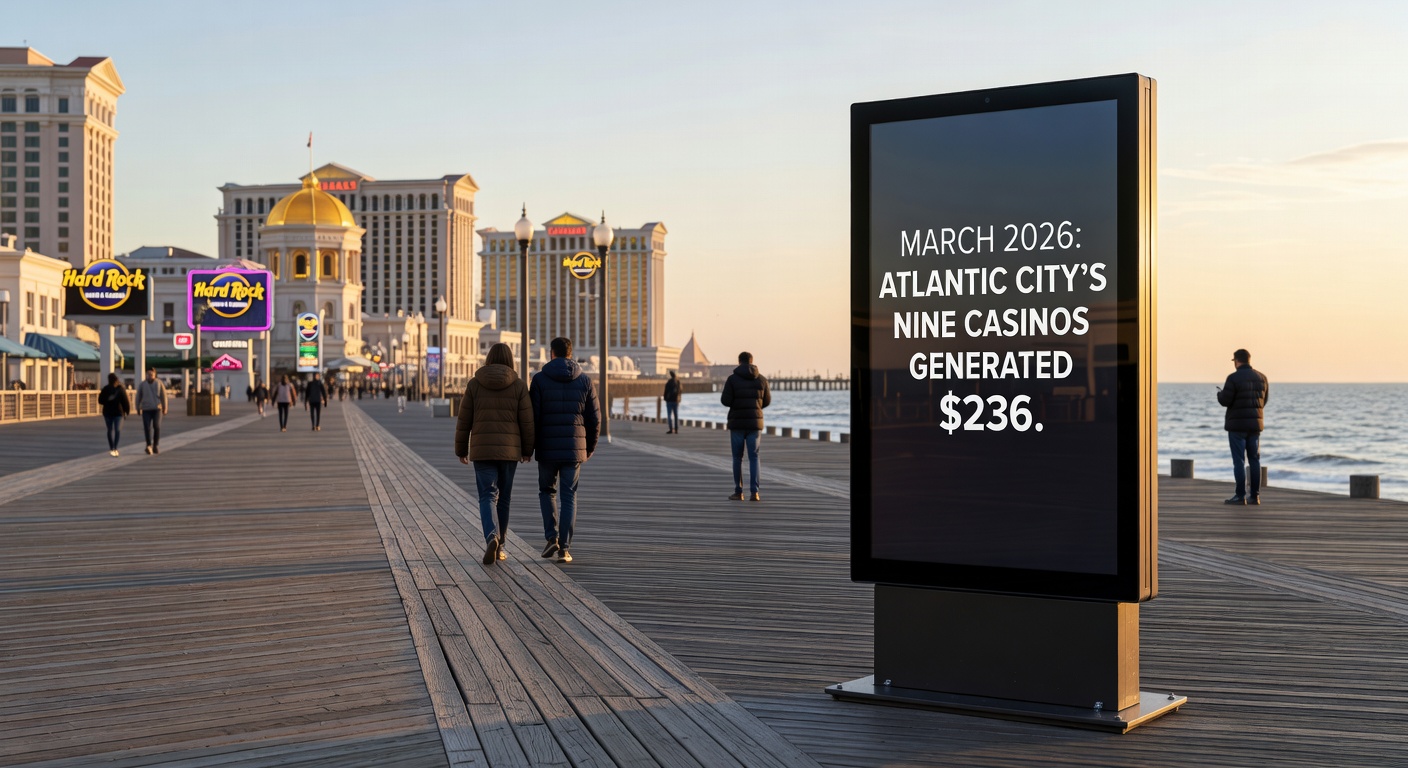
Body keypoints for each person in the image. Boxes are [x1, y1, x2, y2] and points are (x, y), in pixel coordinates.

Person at [455, 342, 534, 565]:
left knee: (487, 495)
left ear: (488, 358)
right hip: (510, 451)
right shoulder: (518, 386)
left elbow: (464, 420)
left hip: (482, 449)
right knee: (505, 498)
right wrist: (528, 450)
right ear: (510, 359)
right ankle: (501, 546)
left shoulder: (474, 384)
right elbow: (527, 422)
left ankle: (492, 536)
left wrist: (461, 449)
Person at [531, 337, 600, 564]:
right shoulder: (585, 381)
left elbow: (533, 417)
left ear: (552, 353)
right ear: (571, 354)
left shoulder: (539, 380)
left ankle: (552, 537)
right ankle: (565, 548)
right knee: (569, 495)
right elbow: (594, 419)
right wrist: (588, 447)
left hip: (547, 448)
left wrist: (530, 447)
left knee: (547, 491)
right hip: (573, 449)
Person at [1217, 348, 1270, 505]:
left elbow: (1225, 400)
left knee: (1239, 461)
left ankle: (1240, 496)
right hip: (1255, 426)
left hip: (1237, 427)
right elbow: (1263, 401)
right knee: (1254, 460)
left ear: (1236, 361)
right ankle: (1255, 496)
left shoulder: (1233, 378)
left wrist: (1220, 395)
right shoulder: (1262, 378)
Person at [721, 351, 771, 501]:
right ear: (751, 361)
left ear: (739, 362)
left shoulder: (732, 379)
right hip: (755, 424)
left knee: (737, 457)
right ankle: (755, 492)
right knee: (754, 456)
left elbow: (725, 401)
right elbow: (767, 401)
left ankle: (738, 491)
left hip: (737, 422)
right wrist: (756, 407)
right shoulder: (762, 380)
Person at [134, 368, 168, 455]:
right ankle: (148, 445)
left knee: (156, 426)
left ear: (154, 375)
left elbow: (163, 396)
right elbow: (138, 397)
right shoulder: (142, 384)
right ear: (146, 375)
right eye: (148, 374)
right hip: (146, 409)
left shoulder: (159, 383)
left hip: (157, 409)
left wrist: (165, 407)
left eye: (151, 374)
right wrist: (137, 407)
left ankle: (155, 445)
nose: (150, 376)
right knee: (147, 427)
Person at [98, 372, 131, 457]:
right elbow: (125, 401)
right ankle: (115, 448)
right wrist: (127, 411)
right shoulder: (120, 389)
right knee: (117, 430)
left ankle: (112, 447)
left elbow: (100, 400)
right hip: (119, 413)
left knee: (109, 430)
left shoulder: (105, 389)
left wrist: (107, 399)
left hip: (107, 412)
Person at [663, 369, 682, 434]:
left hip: (669, 401)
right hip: (676, 401)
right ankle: (676, 429)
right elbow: (680, 391)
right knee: (676, 415)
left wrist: (665, 399)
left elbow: (665, 392)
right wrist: (679, 399)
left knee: (669, 415)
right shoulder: (678, 382)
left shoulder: (668, 382)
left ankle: (671, 429)